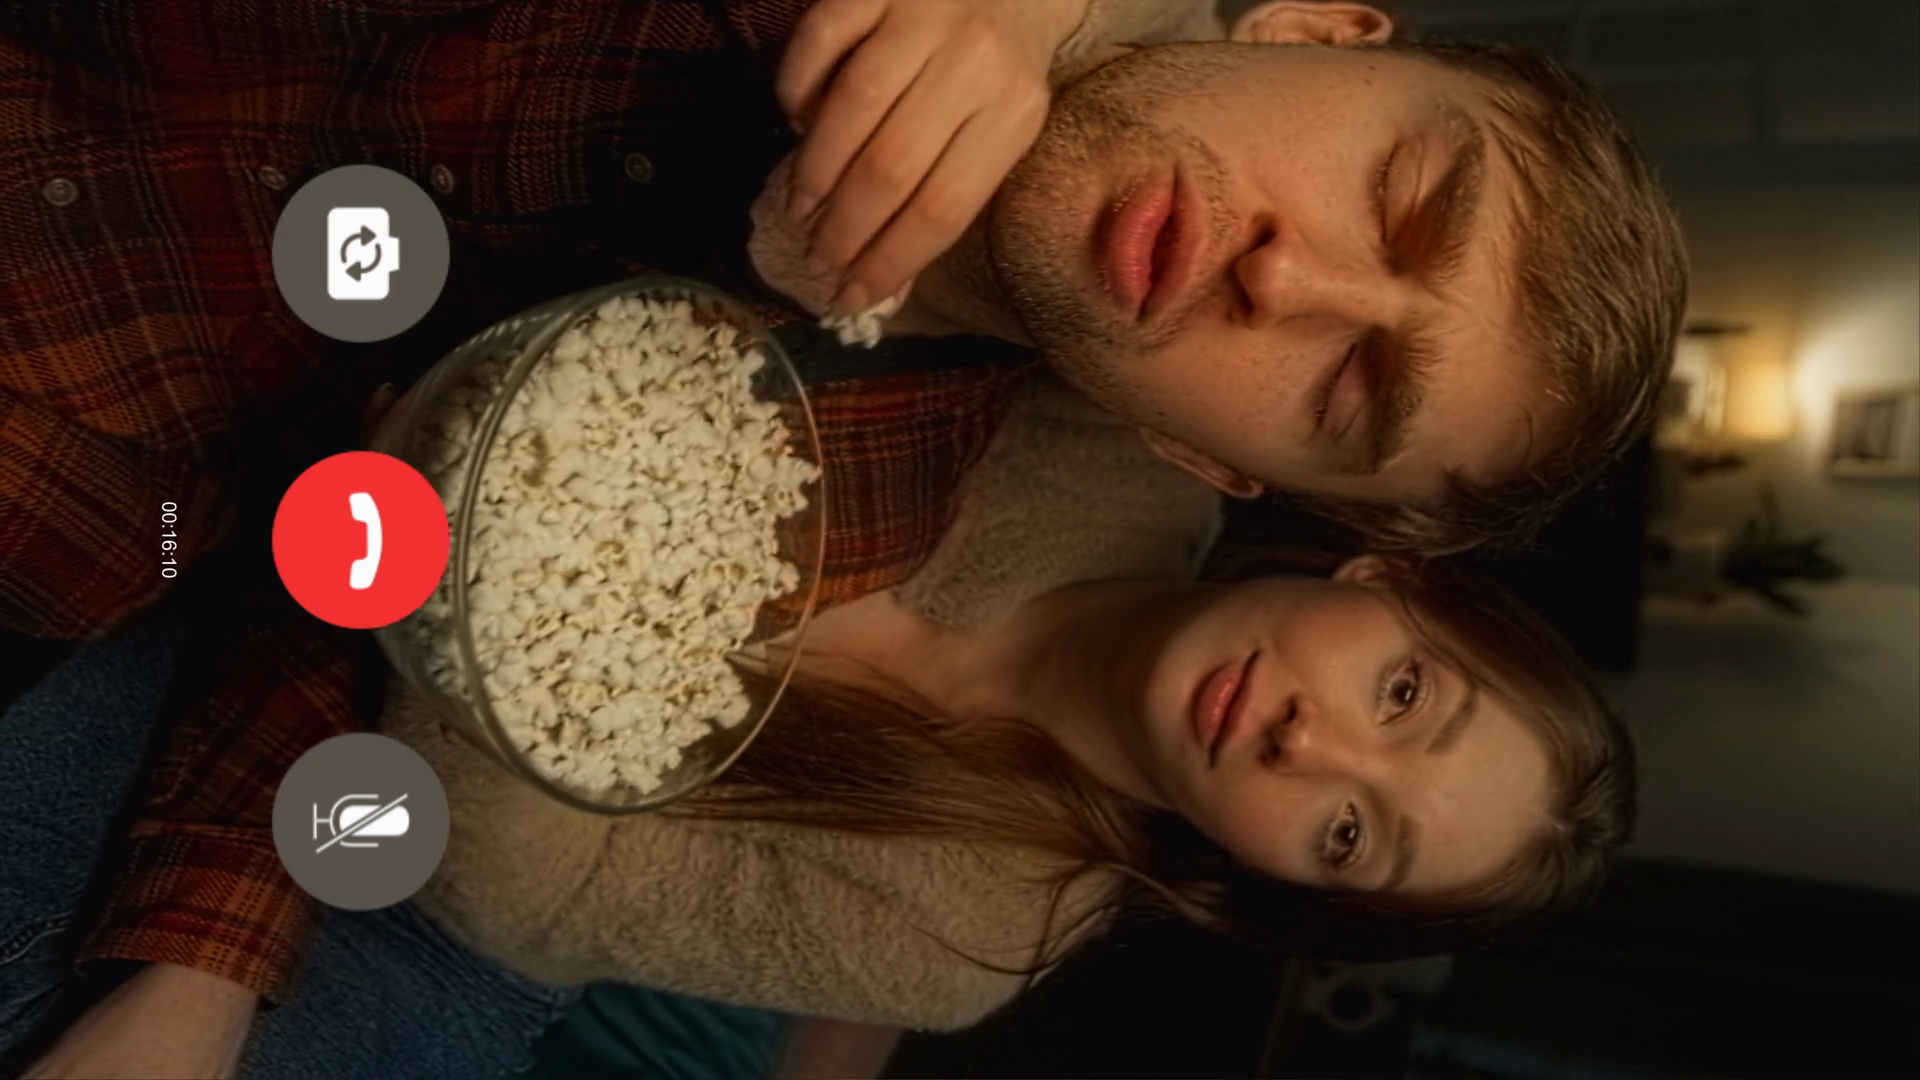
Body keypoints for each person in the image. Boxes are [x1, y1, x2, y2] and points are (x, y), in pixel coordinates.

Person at [0, 0, 1681, 1071]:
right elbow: (1137, 98)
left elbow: (516, 870)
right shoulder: (1080, 392)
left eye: (1349, 833)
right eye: (1404, 696)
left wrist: (512, 591)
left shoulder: (945, 457)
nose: (1287, 275)